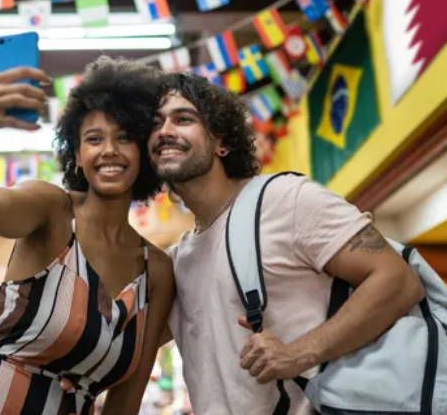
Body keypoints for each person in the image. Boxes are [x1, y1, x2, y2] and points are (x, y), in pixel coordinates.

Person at [149, 72, 425, 415]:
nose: (165, 131)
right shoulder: (177, 261)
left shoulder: (284, 200)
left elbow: (398, 280)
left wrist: (299, 353)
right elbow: (126, 348)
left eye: (184, 118)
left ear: (221, 141)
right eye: (155, 124)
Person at [0, 57, 175, 414]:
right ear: (77, 155)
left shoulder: (156, 269)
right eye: (94, 139)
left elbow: (127, 398)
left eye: (124, 138)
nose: (109, 149)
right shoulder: (52, 210)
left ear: (144, 154)